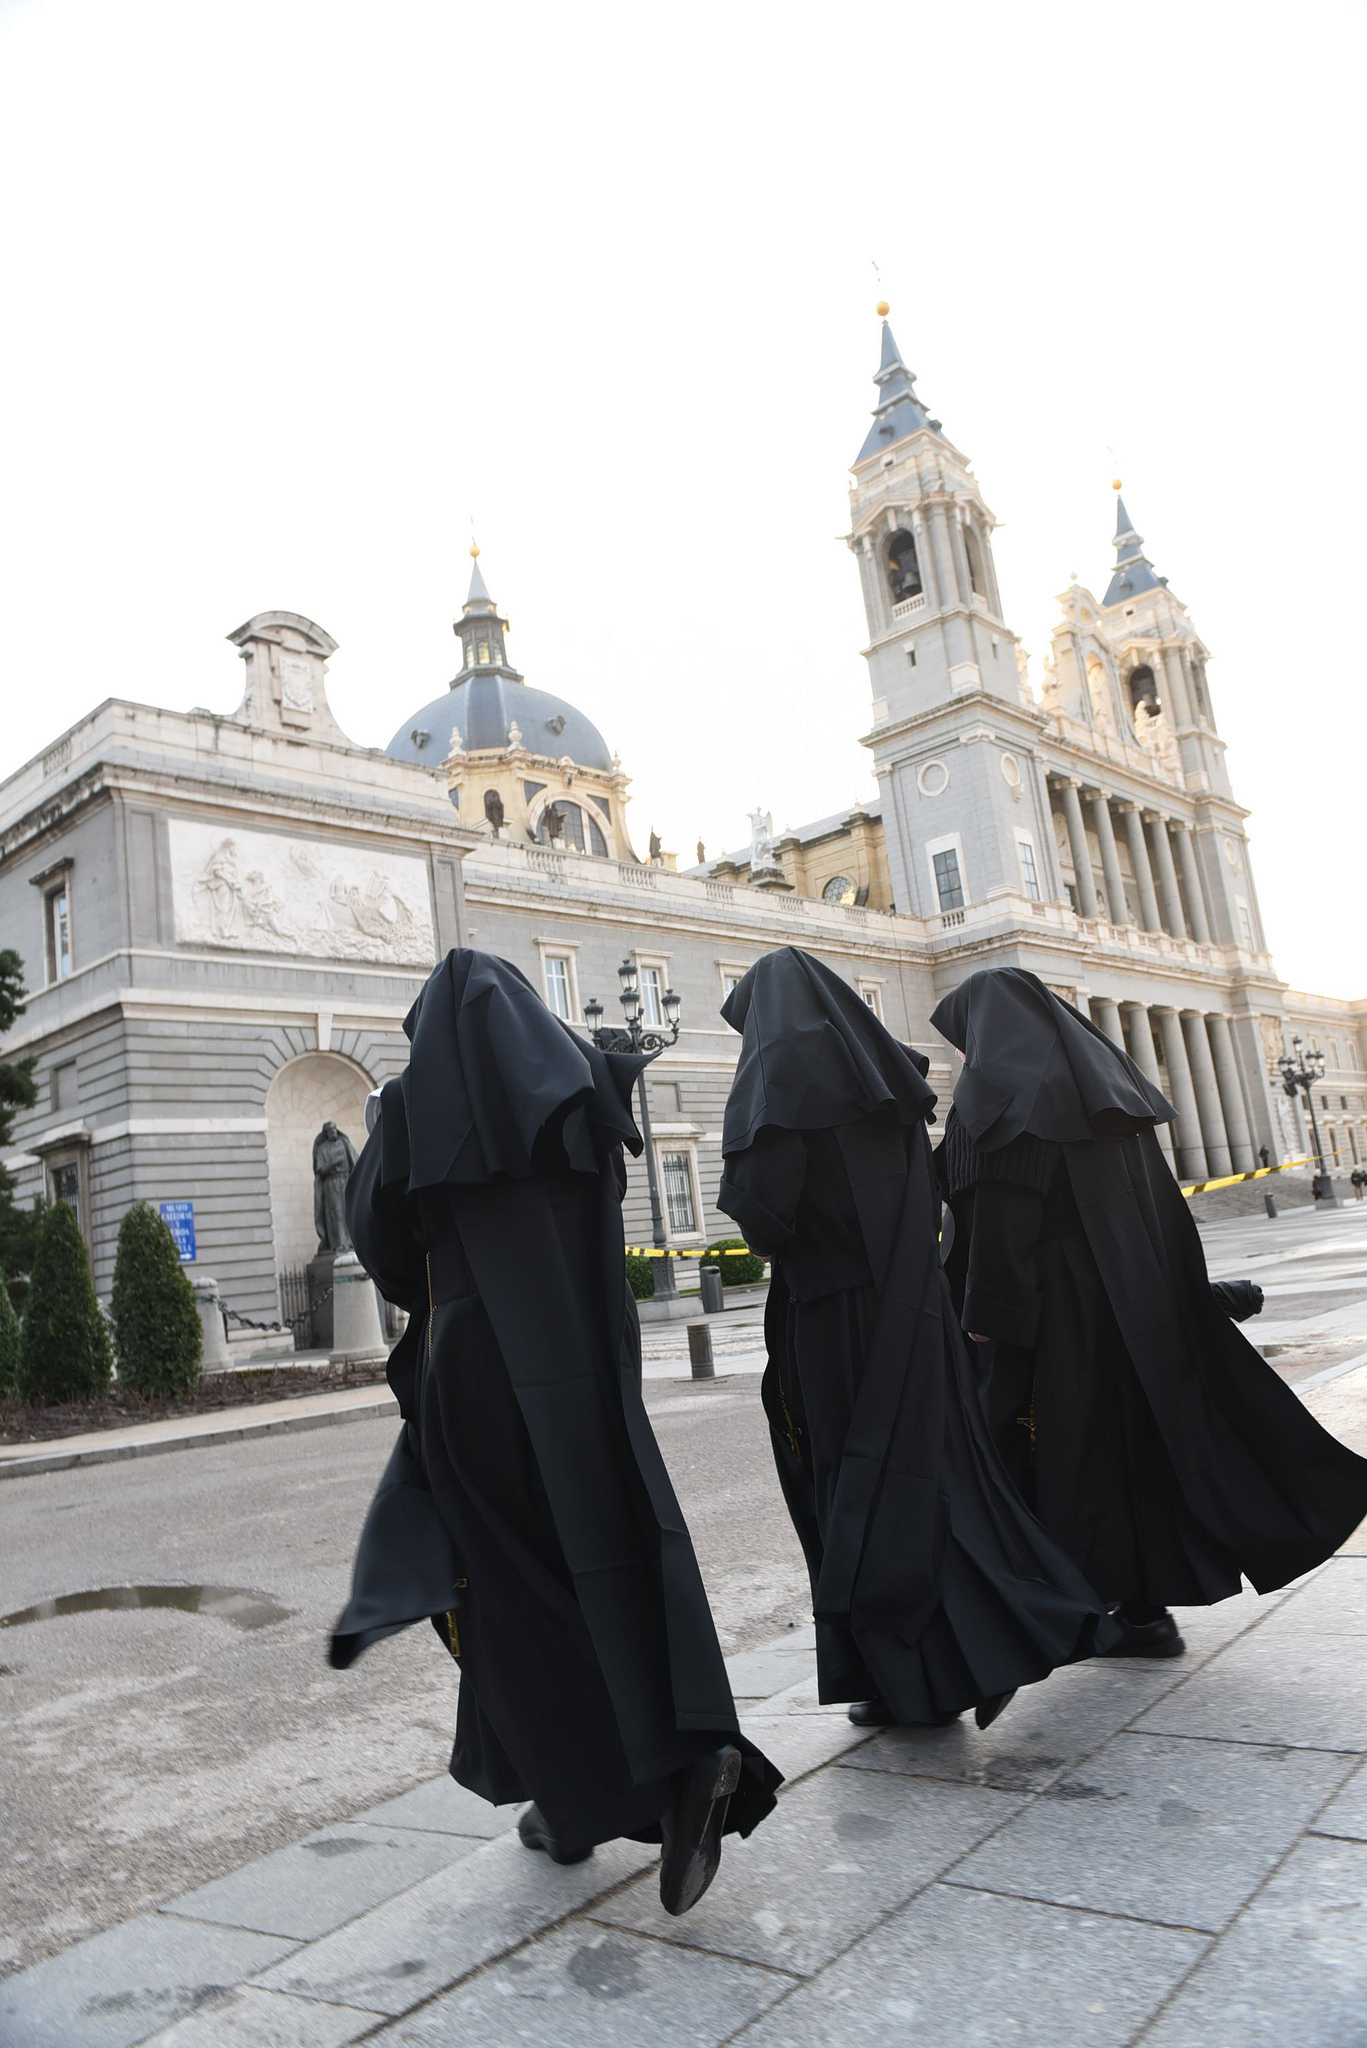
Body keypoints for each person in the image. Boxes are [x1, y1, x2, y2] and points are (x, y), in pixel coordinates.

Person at [330, 950, 779, 1914]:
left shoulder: (411, 1106)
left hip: (481, 1372)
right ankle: (602, 1784)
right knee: (618, 1550)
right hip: (592, 1367)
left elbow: (381, 1248)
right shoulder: (583, 1078)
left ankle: (622, 1785)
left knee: (507, 1591)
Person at [716, 947, 1114, 1732]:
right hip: (917, 1310)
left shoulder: (777, 1075)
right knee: (934, 1480)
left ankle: (924, 1669)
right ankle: (951, 1662)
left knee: (857, 1489)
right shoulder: (889, 1080)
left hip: (834, 1320)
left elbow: (763, 1217)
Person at [932, 967, 1367, 1657]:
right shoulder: (1103, 1086)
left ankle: (1053, 1611)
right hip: (1128, 1304)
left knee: (1037, 1456)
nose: (960, 1056)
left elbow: (1002, 1217)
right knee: (1126, 1454)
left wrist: (987, 1313)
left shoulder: (997, 1090)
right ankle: (1141, 1610)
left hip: (1050, 1315)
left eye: (959, 1040)